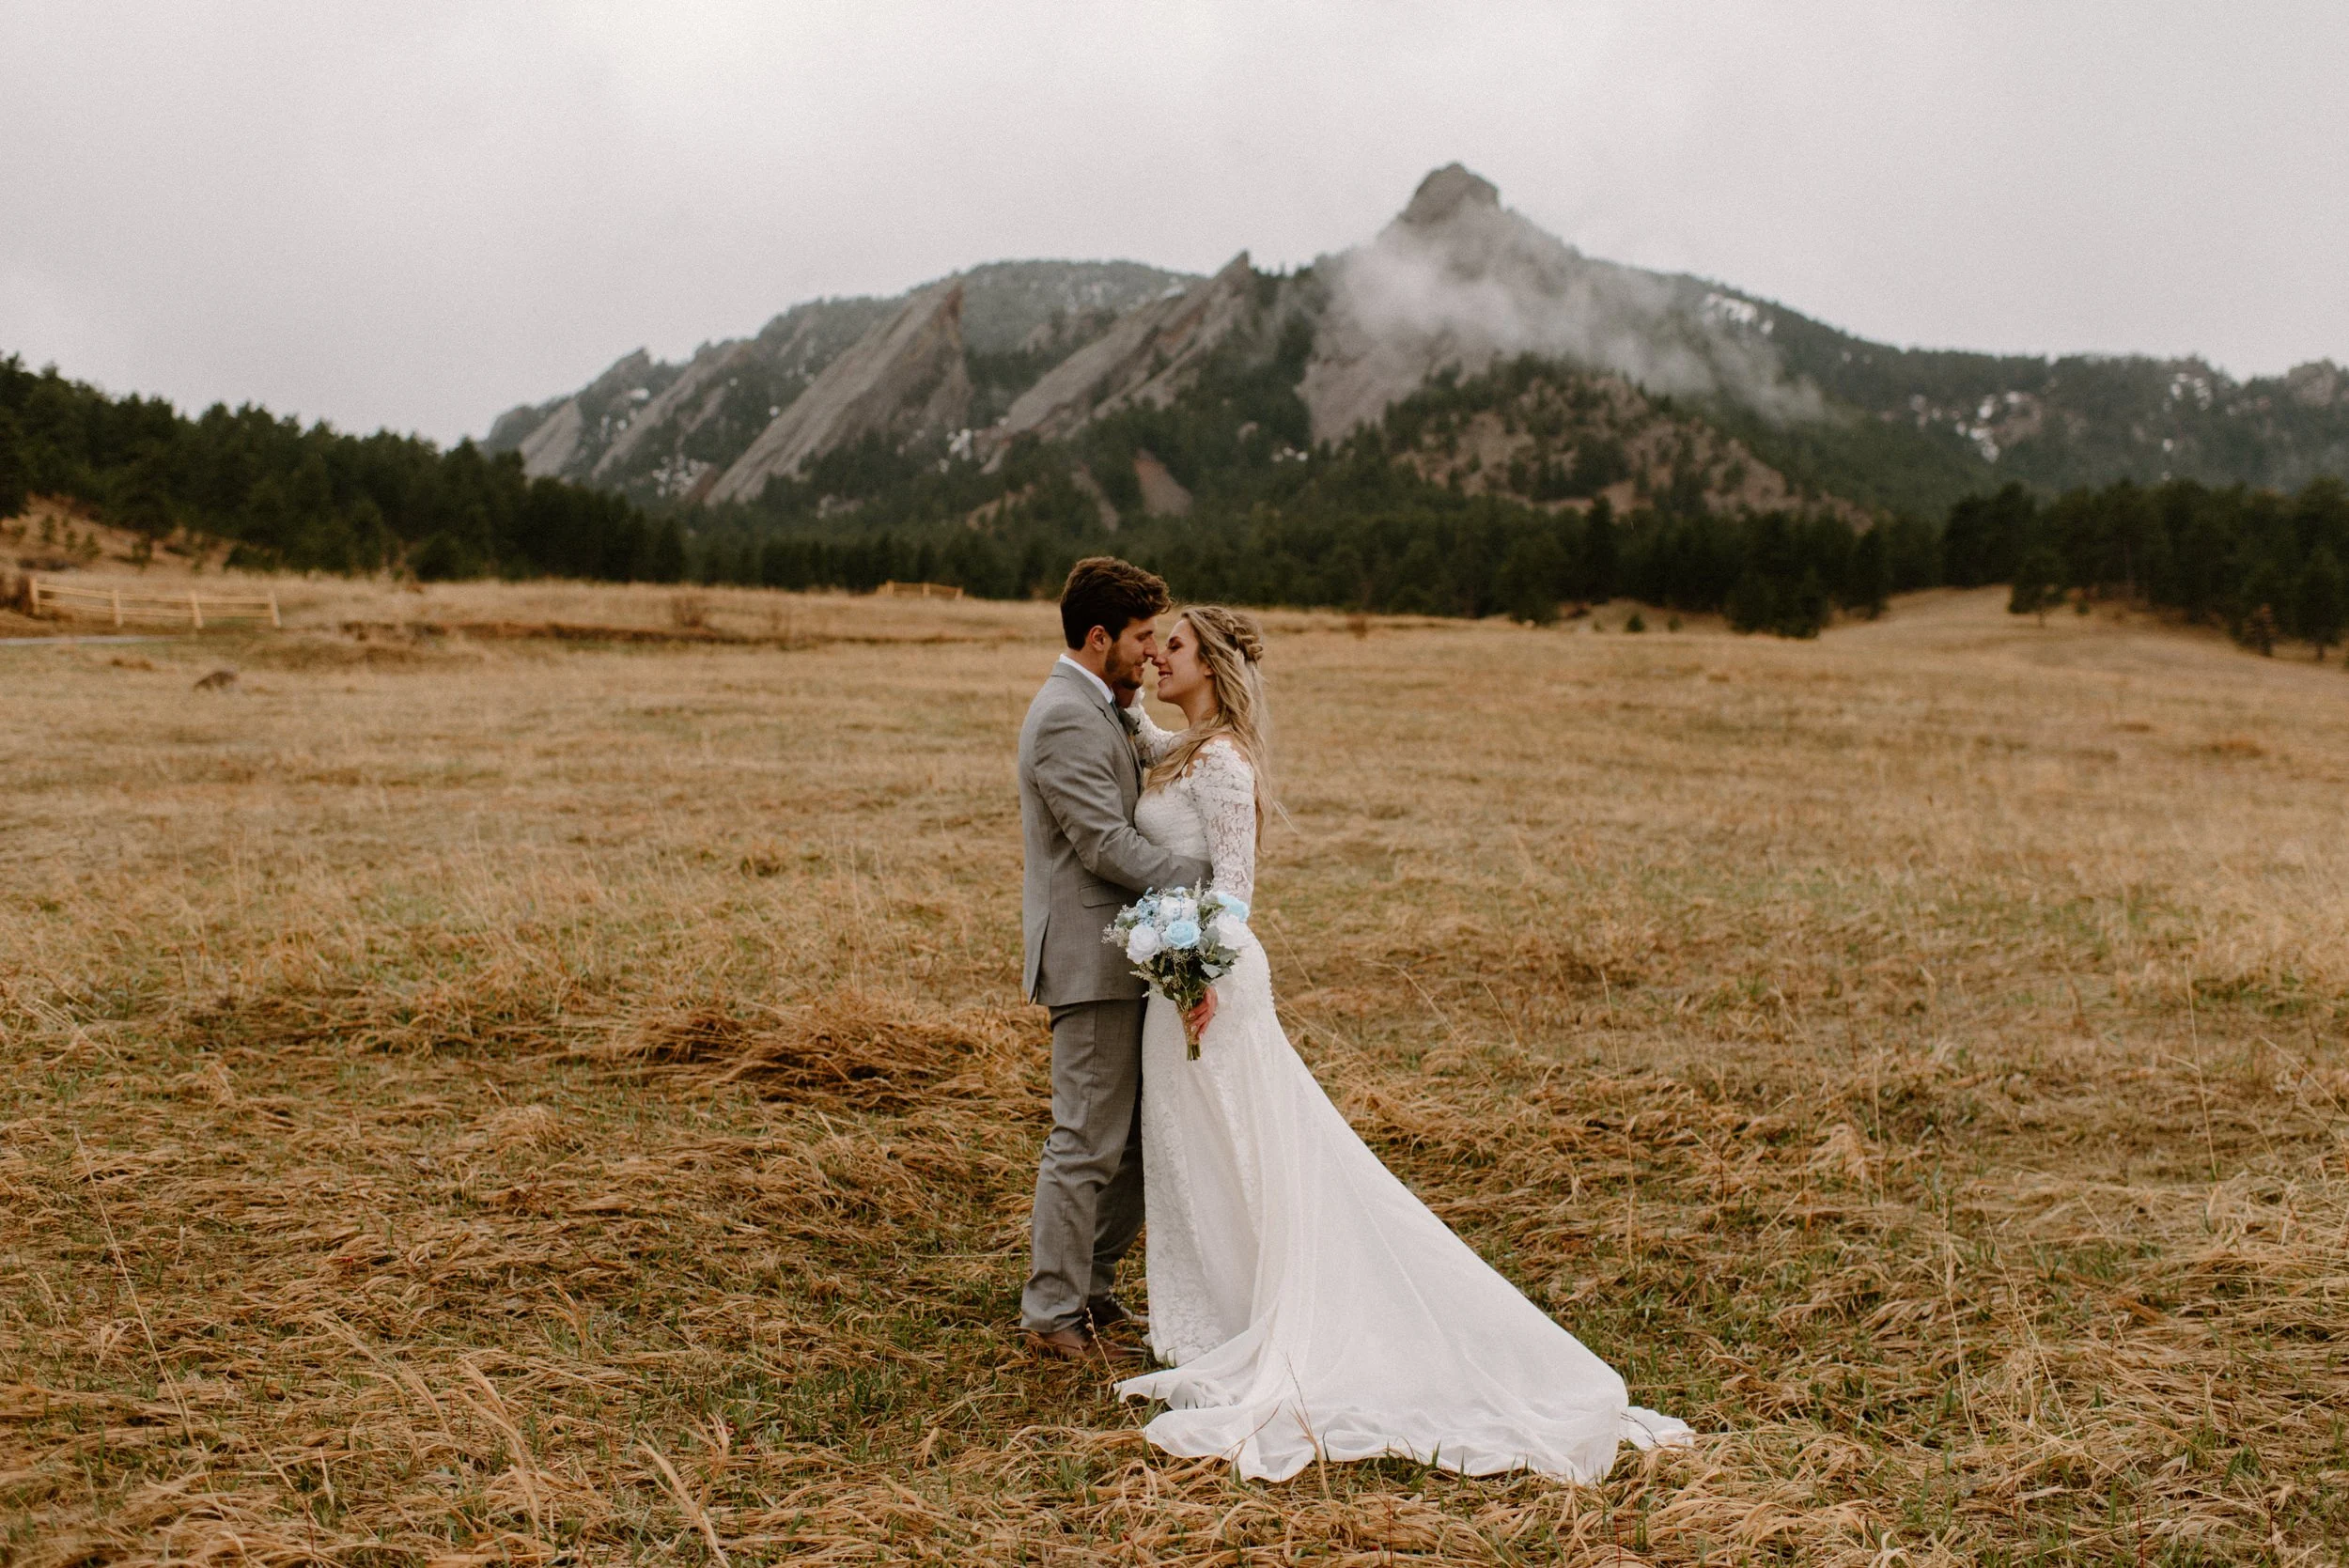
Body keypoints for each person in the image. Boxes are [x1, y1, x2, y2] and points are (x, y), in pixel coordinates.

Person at [1112, 603, 1693, 1482]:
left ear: (1214, 665)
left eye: (1176, 649)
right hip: (1180, 981)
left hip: (1212, 985)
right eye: (1158, 650)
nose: (1160, 659)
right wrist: (1113, 669)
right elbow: (1140, 732)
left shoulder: (1225, 761)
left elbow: (1235, 891)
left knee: (1245, 1148)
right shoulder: (1180, 749)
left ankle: (1269, 1320)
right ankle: (1221, 1319)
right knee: (1195, 1151)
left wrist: (1198, 976)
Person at [1016, 557, 1210, 1360]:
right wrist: (1210, 881)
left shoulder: (1106, 705)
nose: (1149, 652)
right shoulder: (1064, 715)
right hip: (1090, 961)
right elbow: (1101, 843)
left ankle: (1091, 1291)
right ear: (1098, 638)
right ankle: (1053, 1314)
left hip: (1125, 955)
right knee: (1085, 1141)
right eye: (1136, 638)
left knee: (1130, 1142)